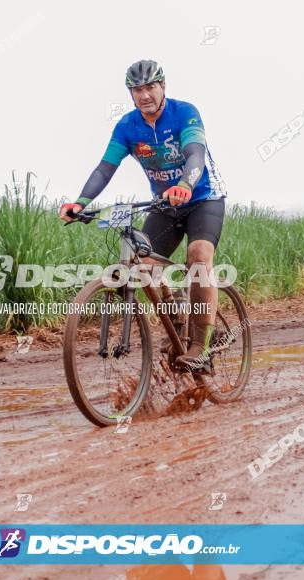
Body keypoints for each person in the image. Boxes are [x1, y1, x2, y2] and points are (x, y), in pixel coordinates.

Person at [59, 59, 227, 369]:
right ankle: (178, 319)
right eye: (137, 89)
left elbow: (195, 154)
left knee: (199, 255)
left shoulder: (184, 113)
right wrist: (80, 203)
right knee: (145, 266)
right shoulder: (127, 127)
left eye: (150, 87)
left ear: (163, 87)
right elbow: (105, 168)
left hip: (203, 197)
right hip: (164, 204)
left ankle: (202, 346)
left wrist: (184, 184)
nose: (144, 95)